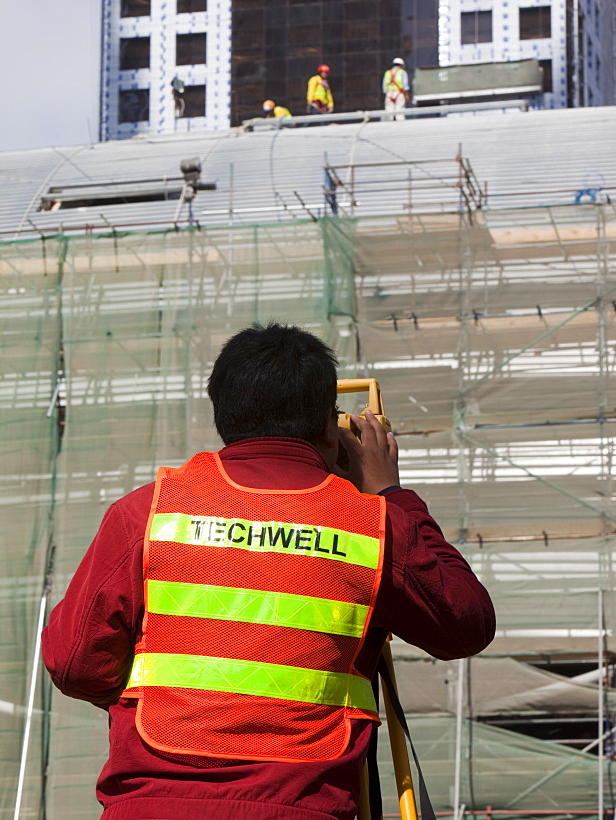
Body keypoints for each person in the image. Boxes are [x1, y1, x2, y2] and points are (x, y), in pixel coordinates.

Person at [42, 323, 495, 820]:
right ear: (329, 427)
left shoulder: (148, 514)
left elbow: (74, 665)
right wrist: (390, 494)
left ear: (223, 415)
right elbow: (465, 625)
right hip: (302, 808)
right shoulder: (373, 528)